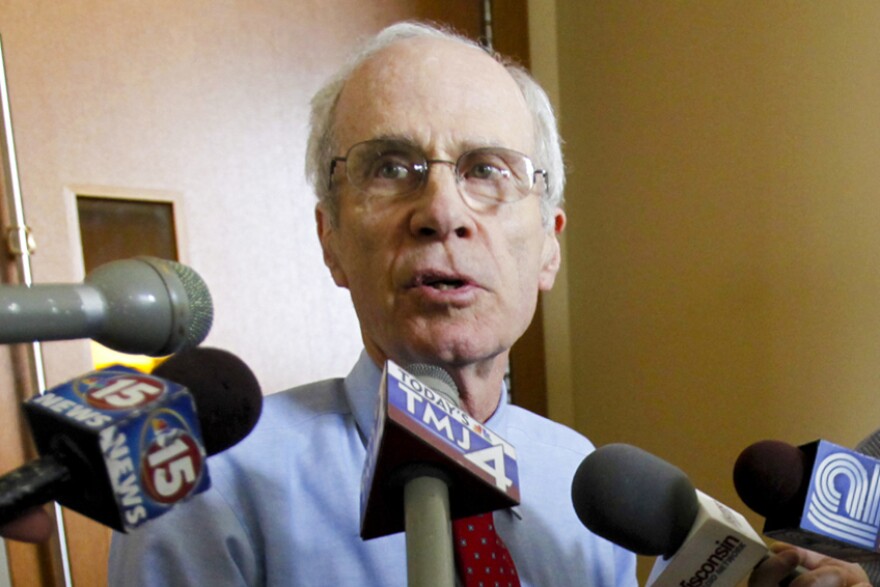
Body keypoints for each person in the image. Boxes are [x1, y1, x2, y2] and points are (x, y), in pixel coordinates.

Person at [107, 21, 869, 587]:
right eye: (391, 166)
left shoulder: (580, 476)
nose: (443, 211)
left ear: (549, 246)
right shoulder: (209, 483)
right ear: (330, 238)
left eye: (488, 169)